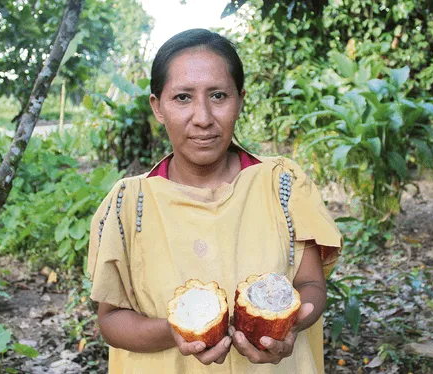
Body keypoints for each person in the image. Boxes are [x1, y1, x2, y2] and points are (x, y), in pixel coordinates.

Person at [88, 28, 343, 373]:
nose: (203, 117)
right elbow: (111, 320)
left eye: (219, 95)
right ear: (157, 107)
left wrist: (288, 325)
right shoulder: (127, 204)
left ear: (240, 99)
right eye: (182, 98)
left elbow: (310, 284)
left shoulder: (282, 184)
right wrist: (178, 330)